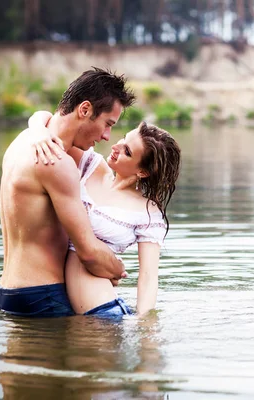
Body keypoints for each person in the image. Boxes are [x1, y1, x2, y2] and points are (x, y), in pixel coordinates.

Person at [0, 67, 136, 318]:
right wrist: (118, 269)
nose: (106, 136)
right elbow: (89, 253)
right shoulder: (57, 163)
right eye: (107, 124)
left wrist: (37, 123)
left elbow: (43, 117)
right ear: (84, 110)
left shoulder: (24, 141)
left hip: (8, 293)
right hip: (44, 295)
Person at [29, 112, 181, 317]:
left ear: (143, 172)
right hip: (60, 295)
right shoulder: (89, 165)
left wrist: (146, 330)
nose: (115, 147)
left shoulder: (148, 213)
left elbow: (148, 276)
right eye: (123, 139)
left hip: (104, 312)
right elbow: (47, 118)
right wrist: (38, 133)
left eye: (127, 151)